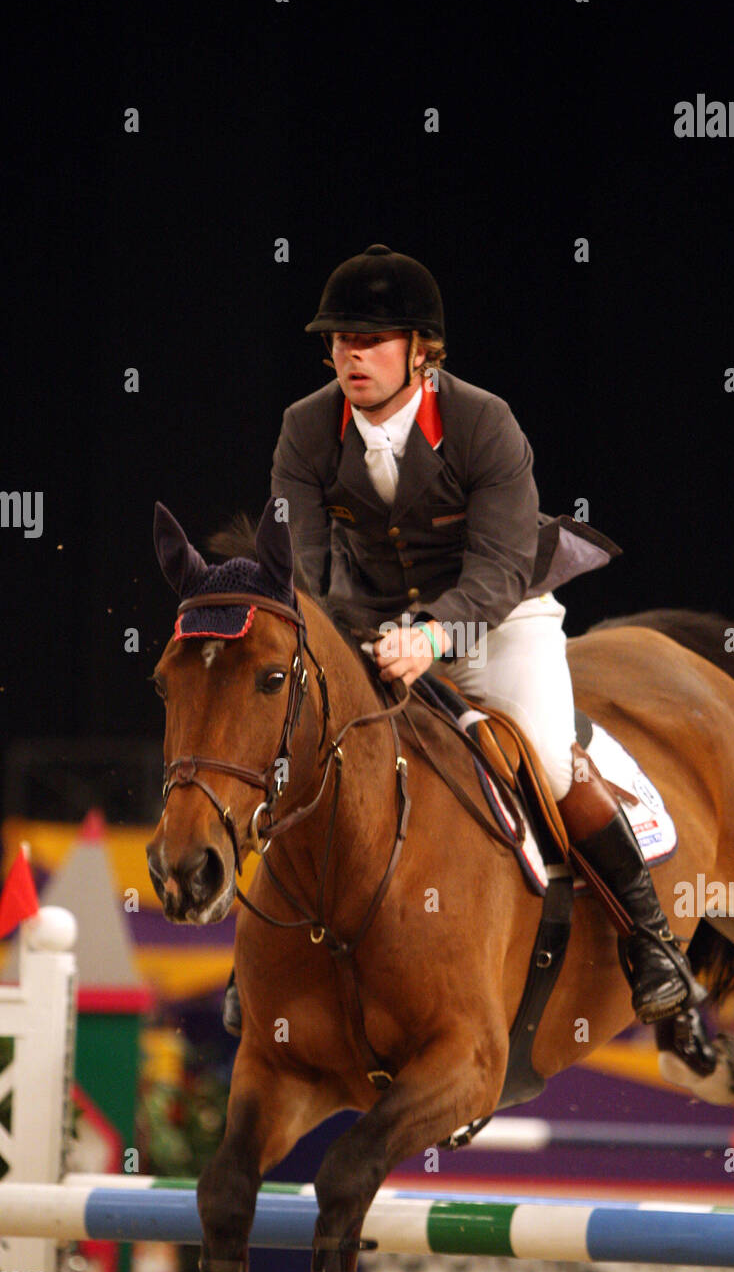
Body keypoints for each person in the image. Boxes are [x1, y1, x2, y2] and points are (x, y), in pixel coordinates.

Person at [255, 243, 703, 1029]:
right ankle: (265, 954)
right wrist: (348, 641)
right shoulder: (304, 428)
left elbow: (496, 570)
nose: (350, 356)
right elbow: (310, 571)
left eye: (370, 340)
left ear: (421, 352)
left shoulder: (484, 421)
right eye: (339, 340)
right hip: (373, 619)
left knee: (545, 750)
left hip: (500, 617)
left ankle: (651, 938)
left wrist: (431, 637)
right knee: (306, 743)